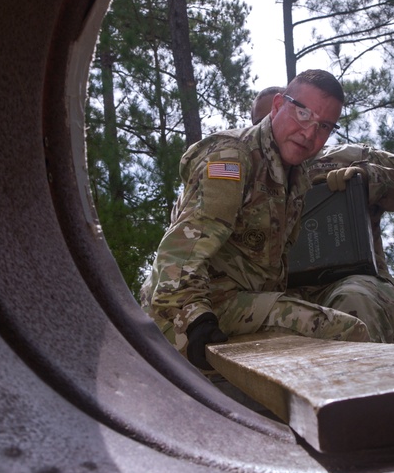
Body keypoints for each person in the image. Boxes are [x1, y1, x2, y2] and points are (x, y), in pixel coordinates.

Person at [140, 70, 372, 371]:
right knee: (347, 332)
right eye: (303, 114)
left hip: (238, 301)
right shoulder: (232, 159)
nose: (309, 133)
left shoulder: (295, 175)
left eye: (324, 126)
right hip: (187, 311)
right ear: (277, 105)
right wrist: (196, 322)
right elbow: (179, 255)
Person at [252, 88, 394, 344]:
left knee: (353, 304)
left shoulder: (349, 158)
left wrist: (374, 180)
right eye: (263, 122)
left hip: (351, 286)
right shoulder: (244, 178)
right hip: (278, 302)